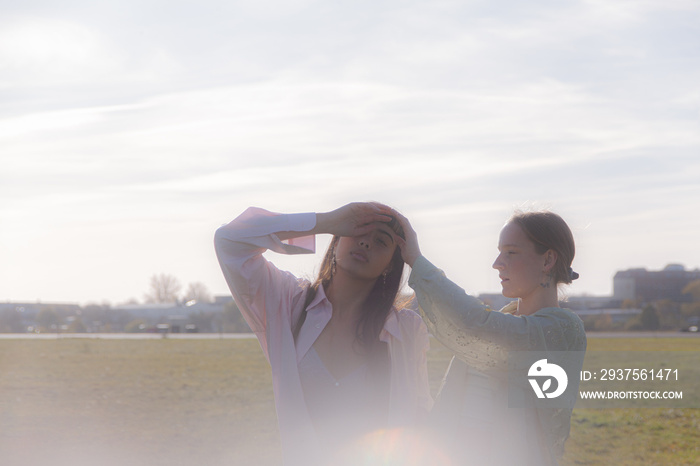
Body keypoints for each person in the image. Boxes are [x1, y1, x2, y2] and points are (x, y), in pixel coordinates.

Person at [214, 203, 432, 465]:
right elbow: (229, 241)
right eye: (359, 231)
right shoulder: (288, 303)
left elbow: (421, 418)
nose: (365, 243)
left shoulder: (406, 330)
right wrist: (325, 222)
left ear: (391, 265)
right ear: (337, 237)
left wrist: (416, 260)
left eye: (381, 241)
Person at [393, 209, 587, 466]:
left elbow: (473, 323)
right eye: (499, 252)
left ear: (548, 260)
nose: (497, 263)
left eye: (511, 252)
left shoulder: (561, 332)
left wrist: (417, 261)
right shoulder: (504, 321)